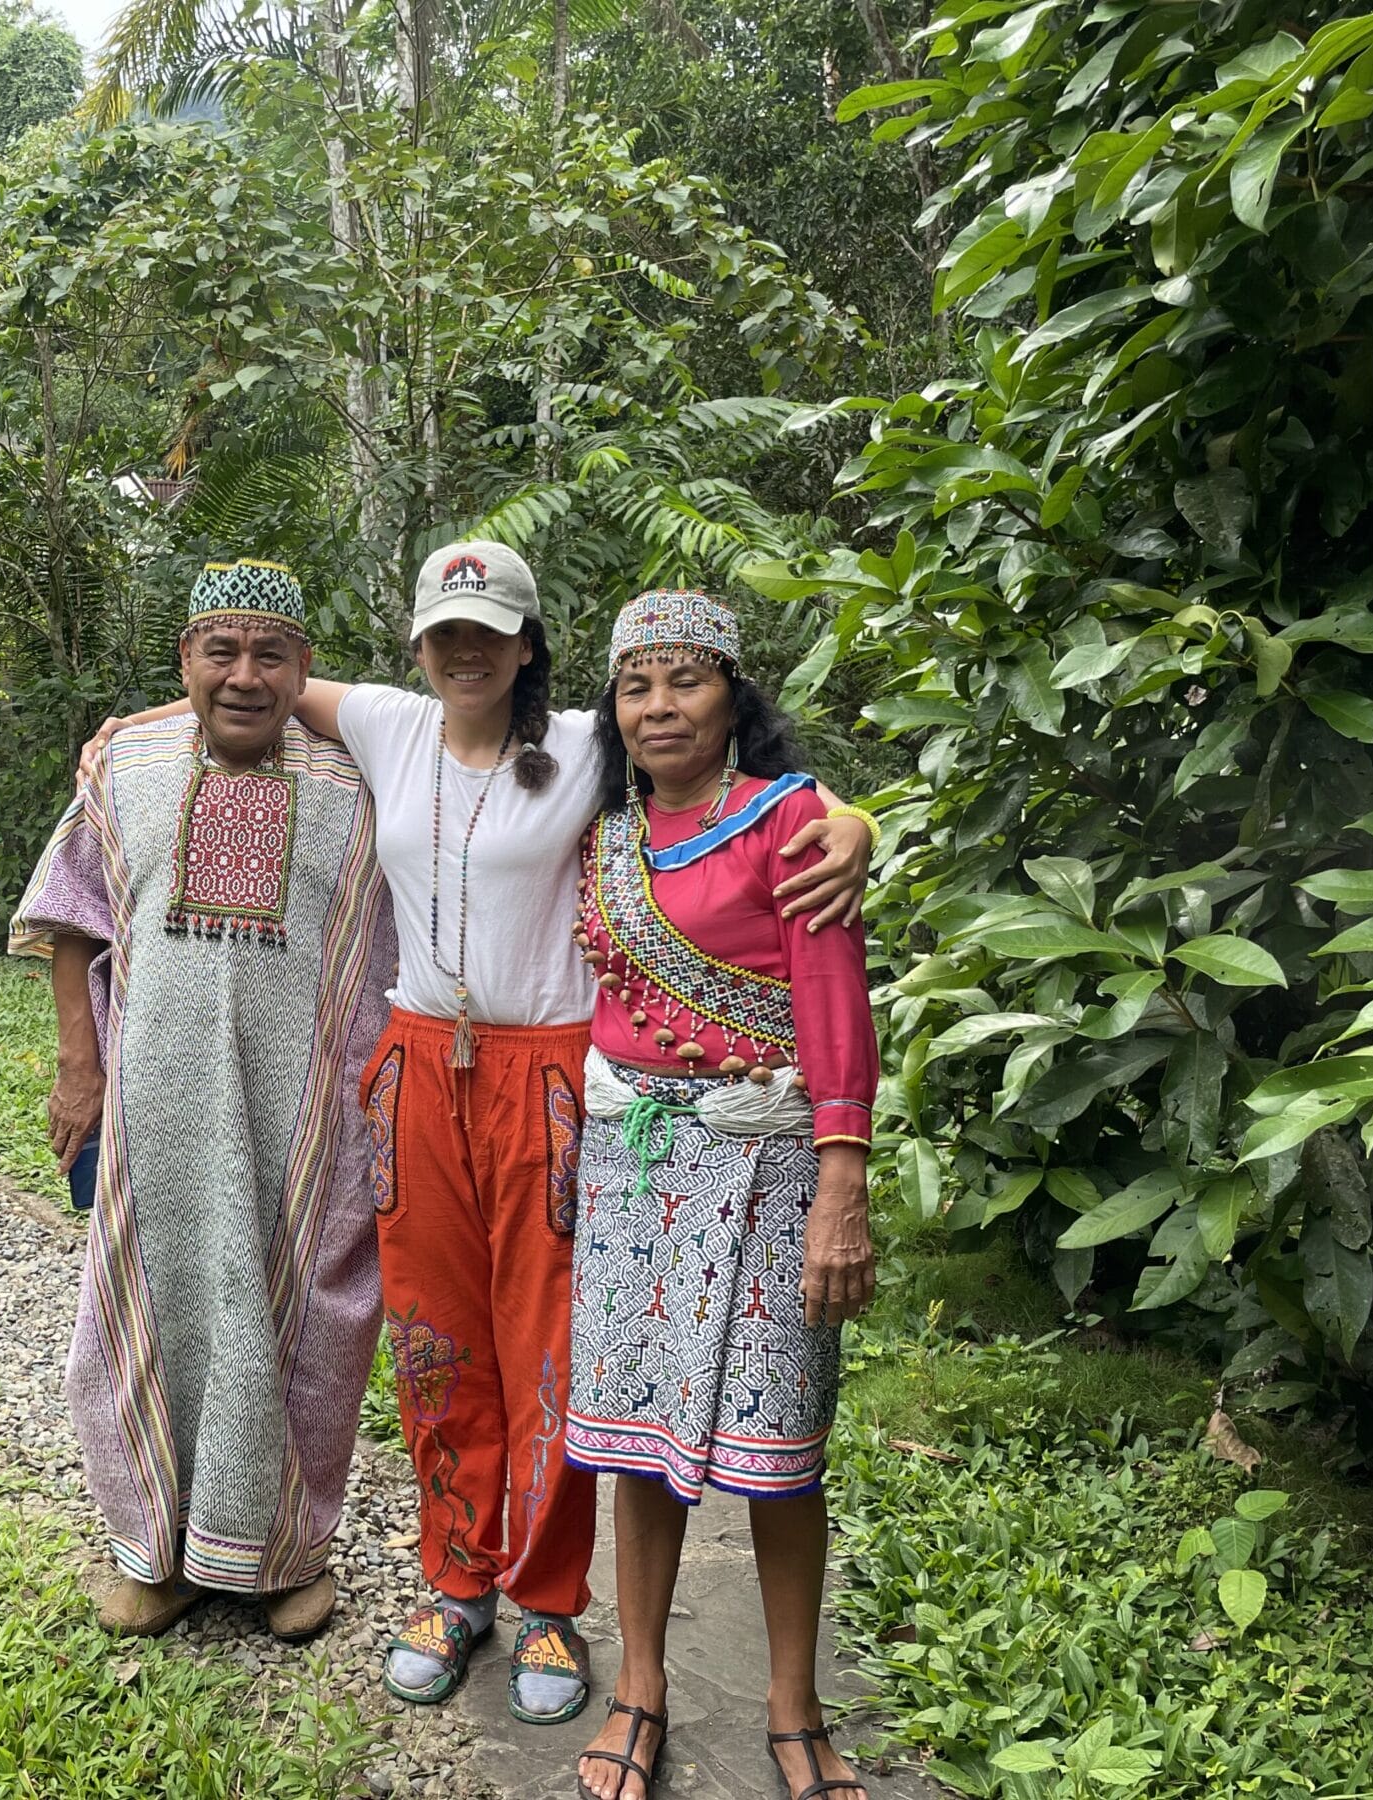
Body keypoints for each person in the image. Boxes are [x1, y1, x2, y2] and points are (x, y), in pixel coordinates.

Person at [88, 543, 871, 1727]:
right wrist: (122, 736)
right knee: (432, 1333)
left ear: (526, 645)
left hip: (547, 1074)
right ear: (418, 644)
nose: (467, 651)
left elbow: (733, 789)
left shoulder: (590, 751)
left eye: (490, 632)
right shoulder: (391, 727)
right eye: (445, 631)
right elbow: (251, 673)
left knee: (546, 1339)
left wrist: (852, 820)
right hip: (412, 1070)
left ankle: (551, 1601)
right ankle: (456, 1583)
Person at [9, 558, 395, 1643]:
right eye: (219, 650)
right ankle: (152, 1548)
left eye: (270, 652)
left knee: (308, 1317)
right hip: (155, 1106)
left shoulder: (357, 780)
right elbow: (73, 912)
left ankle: (282, 1553)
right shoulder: (124, 762)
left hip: (308, 1113)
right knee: (147, 1303)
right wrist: (79, 1067)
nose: (244, 675)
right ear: (183, 663)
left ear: (305, 669)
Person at [562, 589, 878, 1800]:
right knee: (635, 1441)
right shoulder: (607, 839)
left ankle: (793, 1706)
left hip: (769, 1165)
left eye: (685, 680)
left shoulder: (793, 822)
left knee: (782, 1444)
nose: (658, 707)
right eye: (636, 686)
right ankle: (641, 1688)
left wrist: (841, 1186)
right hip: (635, 1170)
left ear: (734, 696)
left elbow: (835, 1007)